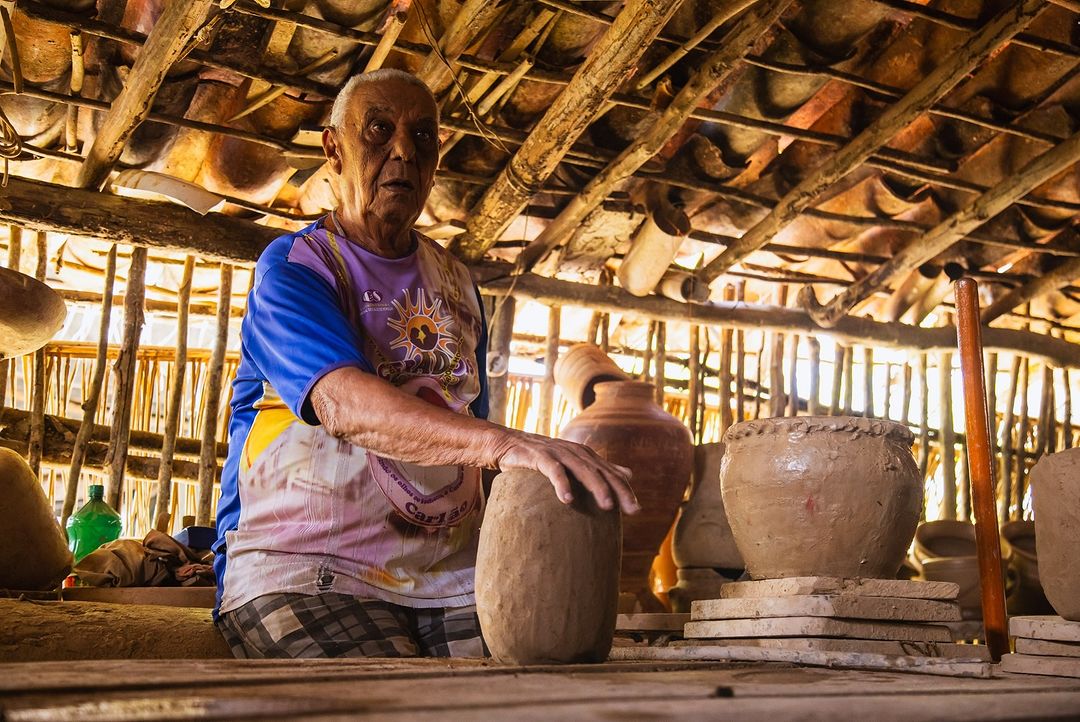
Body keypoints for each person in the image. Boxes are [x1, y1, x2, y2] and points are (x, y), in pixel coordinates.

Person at [213, 68, 638, 659]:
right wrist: (506, 444)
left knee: (542, 691)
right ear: (332, 150)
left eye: (423, 137)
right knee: (394, 705)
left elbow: (471, 445)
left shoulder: (458, 284)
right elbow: (342, 404)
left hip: (453, 582)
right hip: (305, 568)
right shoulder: (296, 268)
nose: (403, 152)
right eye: (379, 130)